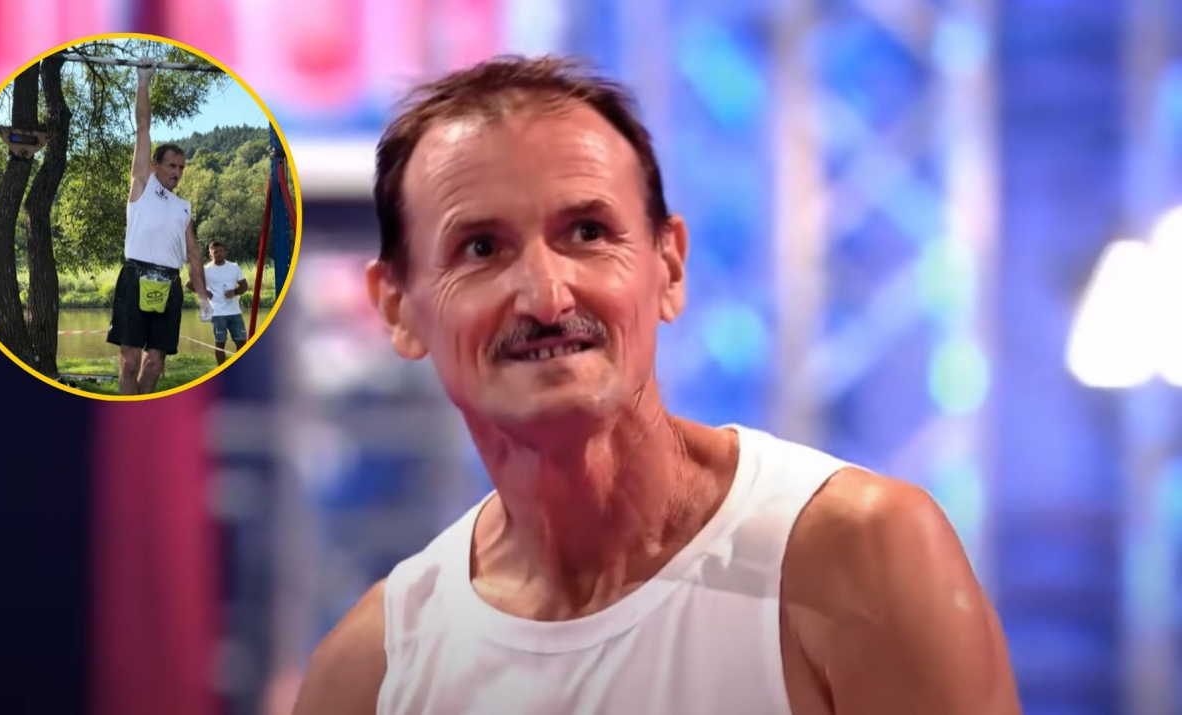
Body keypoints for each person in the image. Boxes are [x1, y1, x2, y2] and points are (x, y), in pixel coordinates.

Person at [293, 56, 1020, 715]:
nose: (546, 297)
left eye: (587, 233)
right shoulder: (371, 673)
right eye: (481, 248)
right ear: (398, 307)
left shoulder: (855, 556)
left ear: (668, 267)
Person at [106, 56, 212, 395]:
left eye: (181, 168)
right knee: (130, 361)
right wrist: (143, 81)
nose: (177, 173)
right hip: (135, 277)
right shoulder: (142, 184)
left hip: (170, 282)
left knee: (154, 364)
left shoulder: (183, 207)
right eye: (171, 166)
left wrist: (203, 296)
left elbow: (194, 254)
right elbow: (143, 128)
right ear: (155, 165)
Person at [188, 240, 249, 366]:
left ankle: (239, 368)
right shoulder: (205, 269)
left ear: (225, 252)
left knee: (242, 342)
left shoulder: (234, 267)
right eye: (215, 252)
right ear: (210, 255)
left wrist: (235, 292)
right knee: (220, 343)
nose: (218, 254)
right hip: (217, 312)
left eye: (221, 251)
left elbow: (244, 286)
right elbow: (189, 284)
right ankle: (222, 369)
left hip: (235, 312)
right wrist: (204, 292)